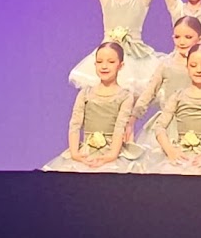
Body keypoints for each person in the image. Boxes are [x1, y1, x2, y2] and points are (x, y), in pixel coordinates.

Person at [43, 42, 141, 173]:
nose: (104, 66)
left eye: (111, 62)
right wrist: (74, 153)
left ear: (120, 65)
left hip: (112, 152)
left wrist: (112, 155)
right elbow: (75, 124)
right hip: (86, 152)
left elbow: (120, 127)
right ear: (95, 64)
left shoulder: (125, 96)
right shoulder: (85, 93)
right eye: (99, 62)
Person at [141, 44, 201, 176]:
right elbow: (160, 126)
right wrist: (170, 151)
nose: (199, 70)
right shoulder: (178, 96)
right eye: (193, 65)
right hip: (181, 153)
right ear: (187, 67)